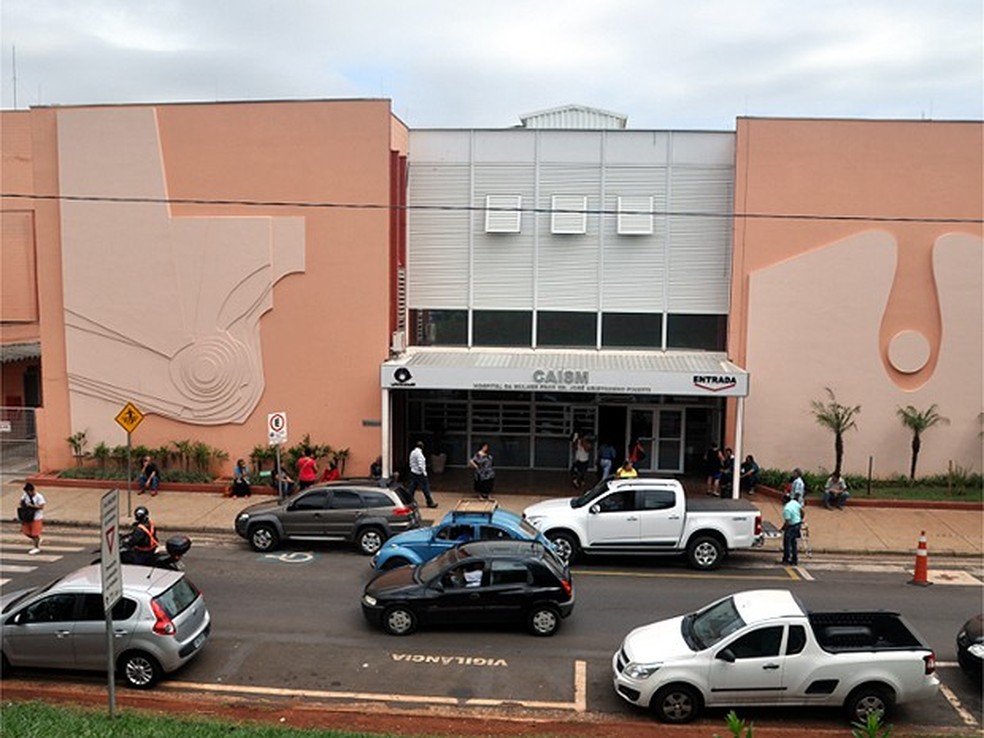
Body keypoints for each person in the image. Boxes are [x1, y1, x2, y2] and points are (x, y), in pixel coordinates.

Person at [406, 441, 438, 508]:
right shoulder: (419, 454)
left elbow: (411, 462)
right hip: (419, 474)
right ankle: (430, 502)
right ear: (422, 447)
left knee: (412, 488)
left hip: (413, 472)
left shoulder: (412, 452)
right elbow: (421, 465)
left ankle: (408, 501)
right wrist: (424, 473)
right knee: (426, 488)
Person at [19, 482, 45, 555]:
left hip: (36, 517)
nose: (28, 494)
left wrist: (32, 506)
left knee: (35, 533)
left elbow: (41, 507)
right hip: (28, 516)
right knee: (26, 531)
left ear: (32, 490)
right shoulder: (25, 496)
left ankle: (36, 547)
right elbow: (21, 502)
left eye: (29, 492)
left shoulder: (39, 497)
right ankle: (37, 540)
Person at [780, 490, 804, 566]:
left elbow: (787, 522)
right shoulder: (795, 502)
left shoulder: (786, 509)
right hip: (798, 524)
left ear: (785, 500)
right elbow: (802, 511)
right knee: (793, 542)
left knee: (787, 543)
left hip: (791, 526)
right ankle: (794, 559)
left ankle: (786, 559)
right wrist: (801, 519)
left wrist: (782, 528)